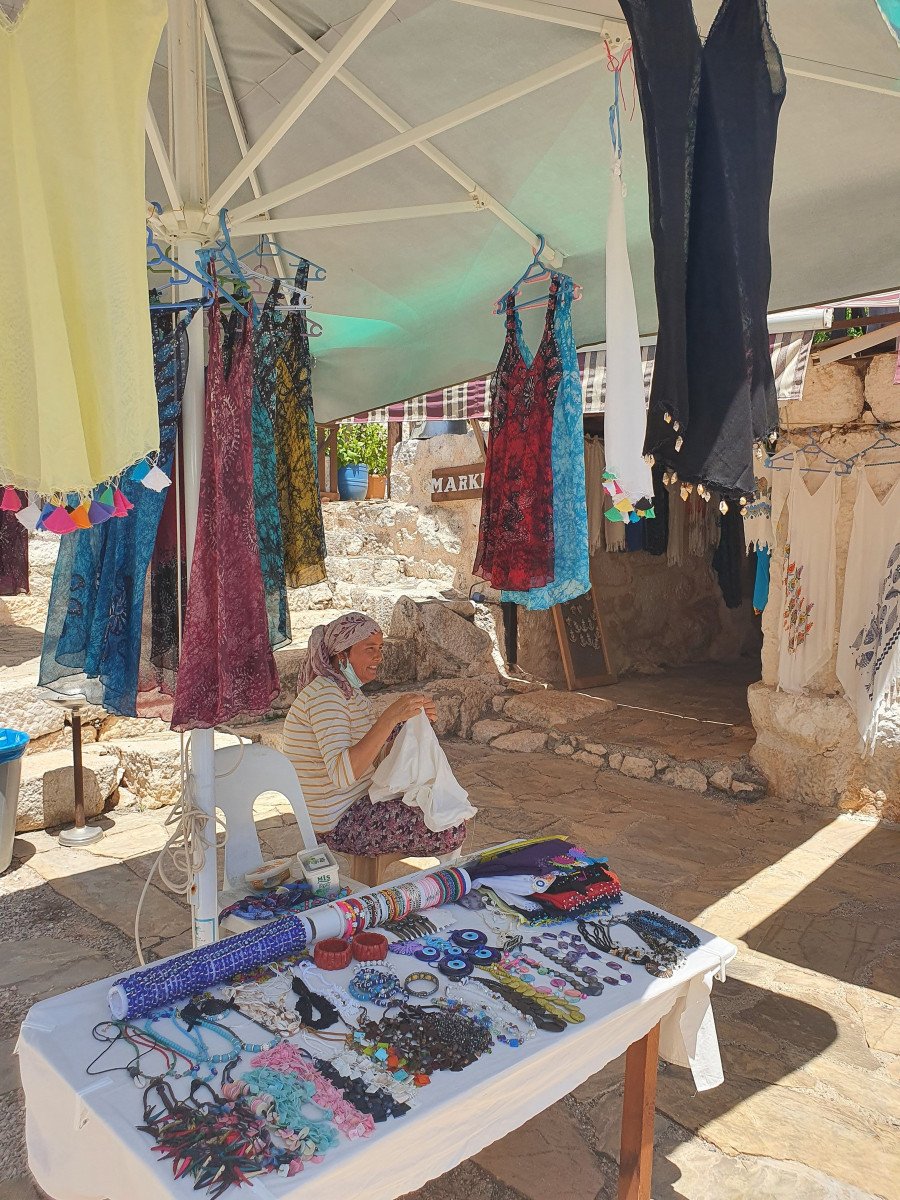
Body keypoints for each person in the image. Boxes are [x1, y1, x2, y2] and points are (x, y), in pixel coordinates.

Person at [283, 612, 468, 857]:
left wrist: (412, 724)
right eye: (369, 648)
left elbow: (377, 760)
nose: (378, 657)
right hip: (337, 822)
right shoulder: (324, 696)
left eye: (380, 648)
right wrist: (390, 717)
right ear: (342, 655)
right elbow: (343, 774)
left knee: (446, 807)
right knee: (450, 828)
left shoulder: (352, 695)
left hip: (359, 803)